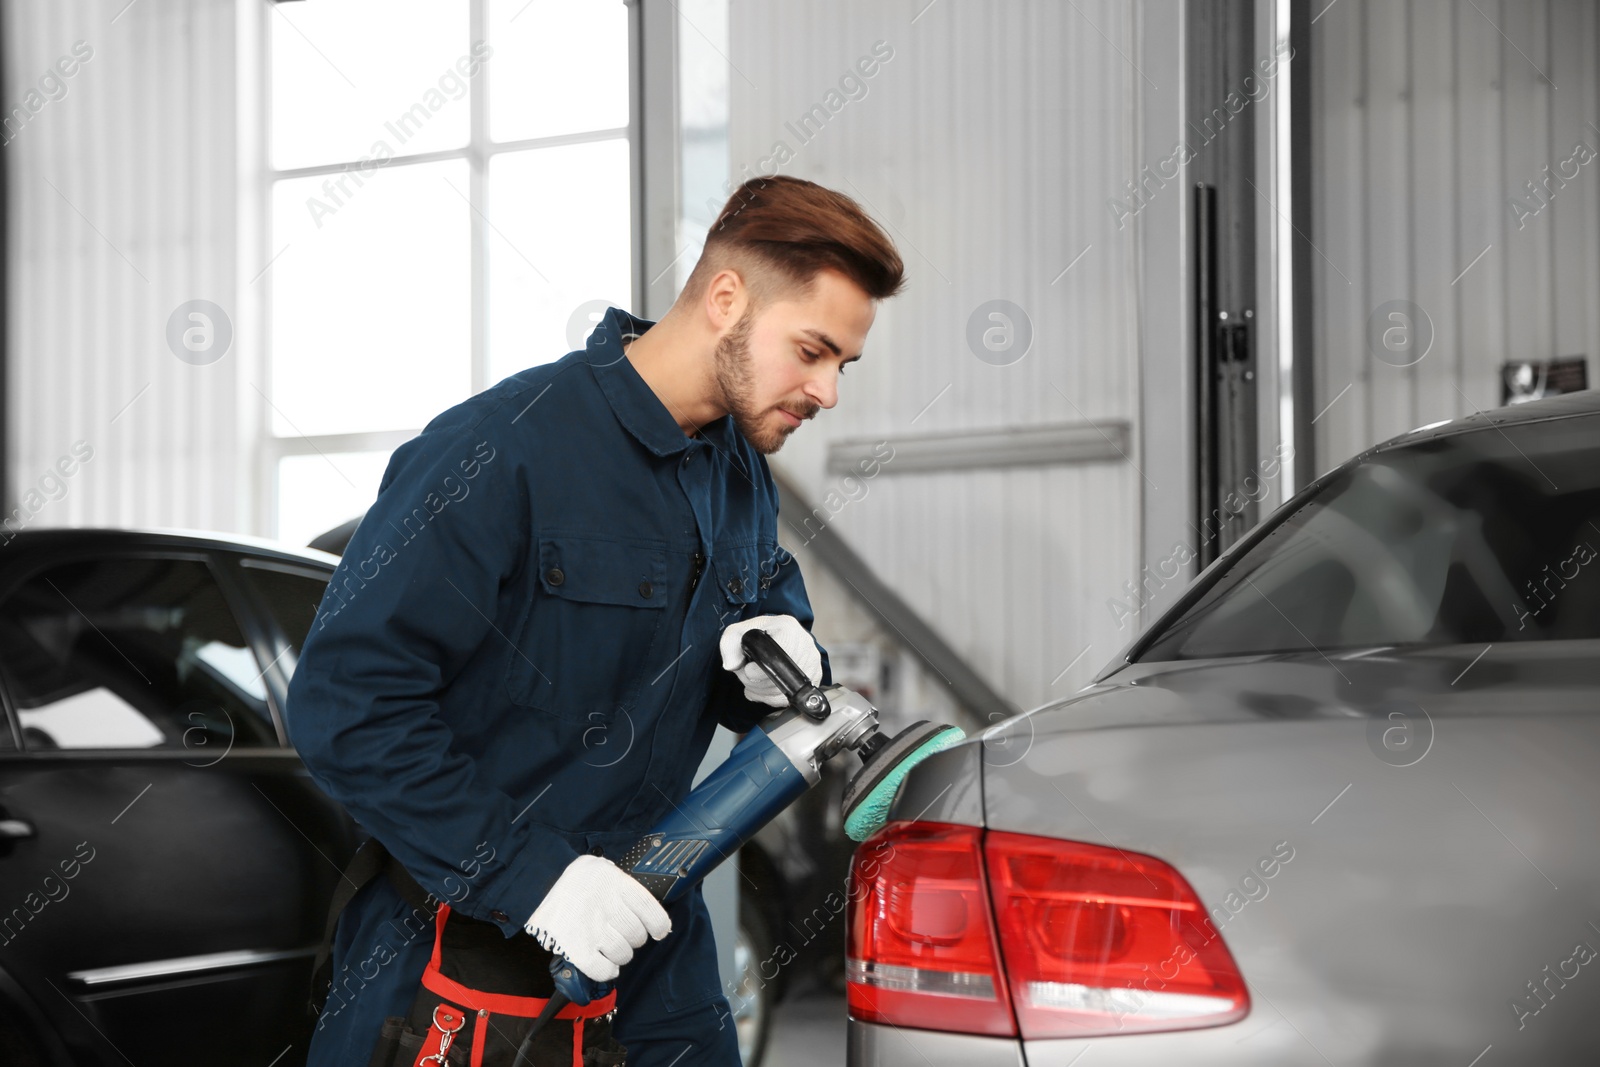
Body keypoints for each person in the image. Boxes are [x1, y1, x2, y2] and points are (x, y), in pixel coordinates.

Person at [286, 174, 905, 1066]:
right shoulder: (499, 450)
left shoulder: (736, 474)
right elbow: (346, 708)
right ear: (727, 299)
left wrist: (772, 649)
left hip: (657, 947)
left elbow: (762, 598)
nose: (828, 390)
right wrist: (536, 881)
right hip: (459, 957)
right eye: (811, 350)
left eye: (842, 364)